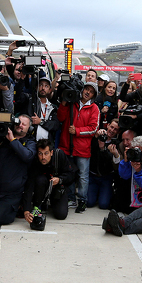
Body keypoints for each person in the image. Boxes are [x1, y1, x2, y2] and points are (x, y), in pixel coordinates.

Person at [0, 114, 36, 225]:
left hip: (10, 196)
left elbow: (27, 156)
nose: (20, 125)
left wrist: (12, 139)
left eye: (24, 124)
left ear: (29, 128)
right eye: (18, 123)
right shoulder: (2, 138)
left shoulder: (30, 143)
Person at [57, 81, 100, 213]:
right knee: (68, 174)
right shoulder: (72, 102)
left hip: (82, 148)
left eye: (91, 91)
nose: (87, 92)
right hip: (66, 145)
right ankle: (70, 198)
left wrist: (77, 131)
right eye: (86, 89)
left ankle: (82, 200)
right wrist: (64, 102)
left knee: (82, 176)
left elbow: (93, 129)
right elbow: (60, 118)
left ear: (93, 95)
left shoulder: (94, 108)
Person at [23, 138, 75, 223]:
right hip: (41, 188)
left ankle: (53, 203)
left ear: (51, 153)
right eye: (40, 154)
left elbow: (71, 175)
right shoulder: (35, 161)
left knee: (61, 215)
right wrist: (26, 210)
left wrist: (60, 180)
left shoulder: (59, 155)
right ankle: (38, 206)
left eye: (46, 153)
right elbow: (29, 185)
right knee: (40, 179)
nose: (43, 157)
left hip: (57, 188)